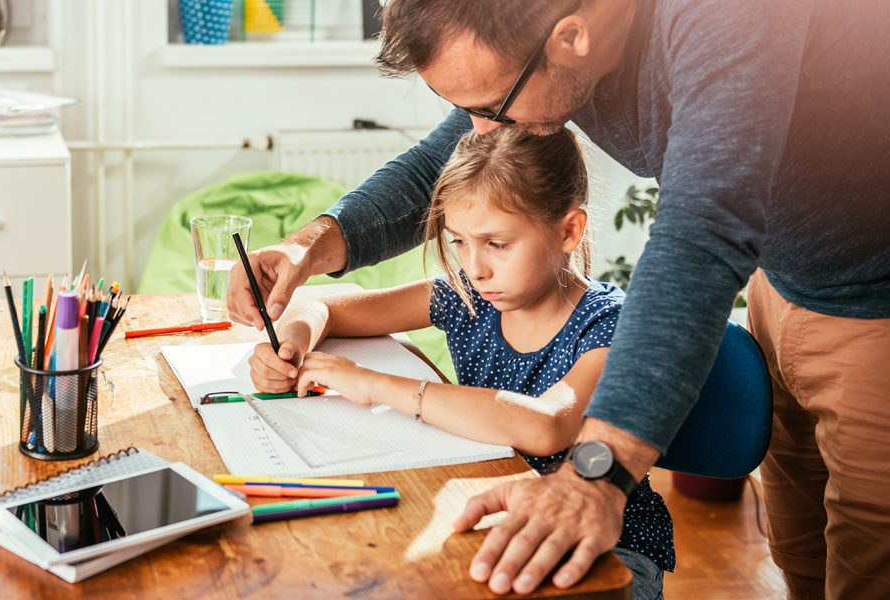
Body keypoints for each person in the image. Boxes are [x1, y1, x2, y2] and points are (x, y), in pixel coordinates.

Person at [227, 0, 890, 597]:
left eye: (491, 108)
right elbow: (445, 158)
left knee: (870, 564)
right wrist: (313, 244)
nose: (482, 133)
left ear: (572, 37)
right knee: (802, 553)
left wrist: (596, 476)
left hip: (875, 301)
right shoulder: (543, 46)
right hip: (785, 276)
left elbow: (703, 229)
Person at [250, 126, 674, 599]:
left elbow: (547, 427)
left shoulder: (608, 322)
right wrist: (293, 340)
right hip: (493, 511)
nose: (475, 267)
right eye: (459, 243)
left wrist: (373, 384)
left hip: (610, 548)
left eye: (497, 244)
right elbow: (328, 304)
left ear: (569, 230)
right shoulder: (470, 298)